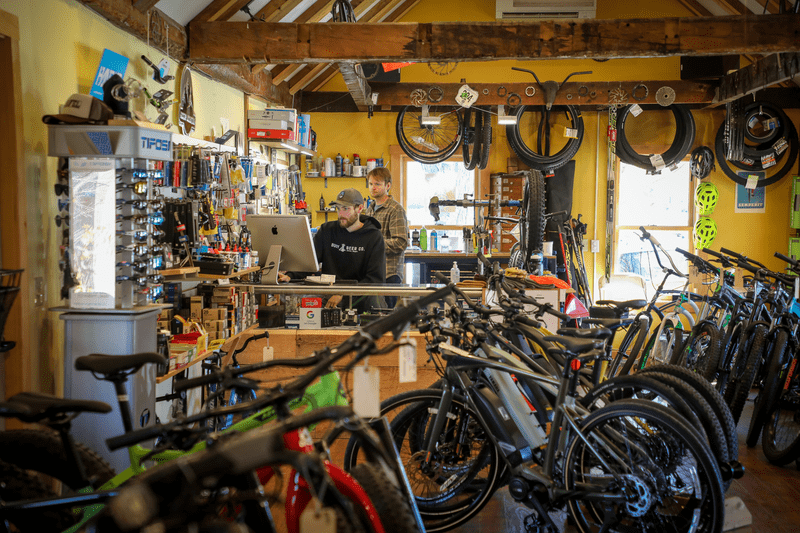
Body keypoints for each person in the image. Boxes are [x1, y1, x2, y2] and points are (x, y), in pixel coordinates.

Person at [279, 188, 386, 312]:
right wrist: (290, 276)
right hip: (329, 294)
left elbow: (375, 279)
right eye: (338, 208)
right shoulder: (327, 230)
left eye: (346, 209)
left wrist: (343, 293)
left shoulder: (373, 236)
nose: (341, 214)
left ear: (360, 208)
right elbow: (310, 262)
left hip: (360, 297)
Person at [364, 167, 409, 308]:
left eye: (377, 184)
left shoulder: (395, 210)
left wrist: (375, 245)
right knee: (373, 317)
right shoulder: (369, 209)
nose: (373, 188)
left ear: (387, 186)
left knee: (386, 318)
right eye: (371, 184)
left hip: (389, 274)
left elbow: (401, 242)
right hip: (372, 274)